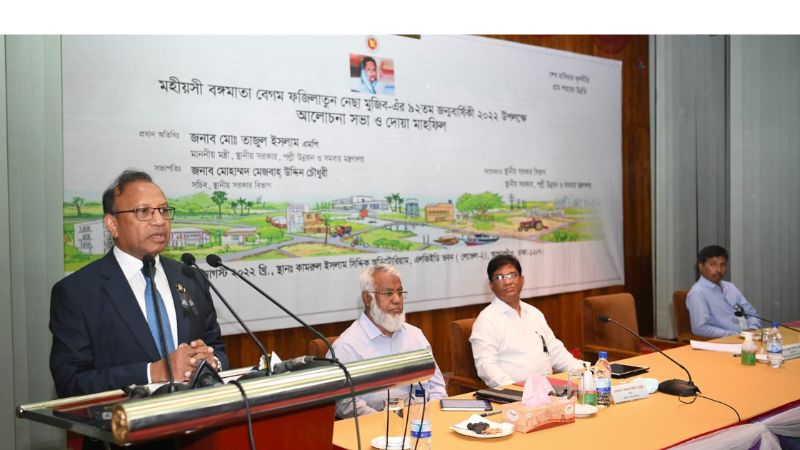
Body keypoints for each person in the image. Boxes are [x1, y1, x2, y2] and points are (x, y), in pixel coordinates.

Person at [50, 170, 228, 399]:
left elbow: (216, 347)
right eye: (143, 212)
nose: (159, 221)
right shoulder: (77, 292)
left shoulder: (191, 278)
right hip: (124, 419)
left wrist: (212, 361)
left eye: (163, 210)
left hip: (196, 416)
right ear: (112, 224)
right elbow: (70, 382)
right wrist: (153, 372)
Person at [328, 264, 447, 417]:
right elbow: (345, 403)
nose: (397, 300)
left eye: (400, 292)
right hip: (375, 425)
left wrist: (433, 415)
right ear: (367, 298)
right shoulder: (346, 346)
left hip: (422, 420)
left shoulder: (415, 335)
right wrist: (385, 421)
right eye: (388, 293)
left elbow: (437, 386)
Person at [470, 254, 583, 388]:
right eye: (499, 277)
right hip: (514, 394)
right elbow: (487, 368)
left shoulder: (534, 313)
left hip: (548, 388)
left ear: (522, 280)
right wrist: (516, 390)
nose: (507, 282)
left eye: (512, 275)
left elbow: (555, 351)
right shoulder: (486, 321)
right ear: (491, 286)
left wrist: (584, 371)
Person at [686, 245, 760, 338]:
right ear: (701, 267)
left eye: (722, 265)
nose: (719, 269)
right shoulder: (697, 293)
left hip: (748, 337)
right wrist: (736, 335)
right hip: (727, 341)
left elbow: (752, 313)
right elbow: (700, 328)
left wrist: (753, 328)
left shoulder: (730, 287)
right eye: (713, 264)